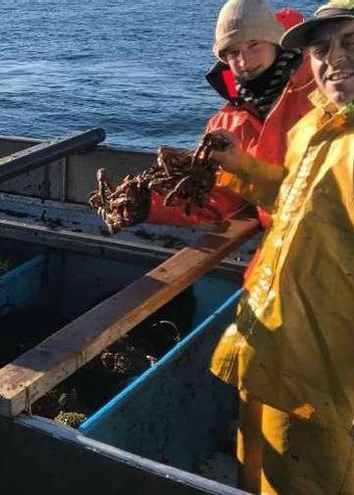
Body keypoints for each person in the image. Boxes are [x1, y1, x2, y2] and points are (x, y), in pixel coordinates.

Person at [209, 2, 354, 492]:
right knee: (255, 465)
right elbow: (295, 197)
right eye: (321, 48)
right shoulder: (319, 125)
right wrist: (241, 165)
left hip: (327, 376)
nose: (334, 59)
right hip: (272, 341)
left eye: (351, 43)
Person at [148, 0, 314, 246]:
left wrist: (242, 165)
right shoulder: (225, 124)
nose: (244, 61)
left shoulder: (320, 91)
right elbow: (219, 200)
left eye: (254, 44)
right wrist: (149, 207)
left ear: (276, 41)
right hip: (281, 246)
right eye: (232, 52)